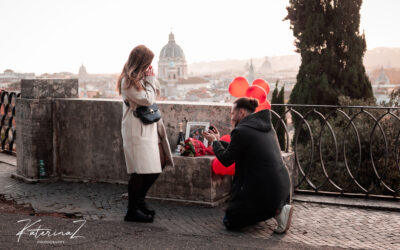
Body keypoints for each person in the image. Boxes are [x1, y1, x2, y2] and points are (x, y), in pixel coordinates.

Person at [203, 97, 293, 233]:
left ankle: (278, 213)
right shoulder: (264, 126)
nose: (231, 118)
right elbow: (238, 149)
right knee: (240, 213)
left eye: (233, 113)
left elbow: (226, 160)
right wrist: (219, 140)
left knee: (230, 221)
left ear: (242, 112)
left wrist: (215, 142)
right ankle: (277, 208)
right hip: (281, 186)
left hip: (264, 190)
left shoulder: (241, 131)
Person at [117, 45, 174, 223]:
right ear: (141, 62)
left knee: (159, 163)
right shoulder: (127, 80)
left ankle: (140, 201)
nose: (150, 66)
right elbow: (147, 99)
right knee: (140, 171)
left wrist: (148, 79)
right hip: (137, 130)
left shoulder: (140, 78)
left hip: (150, 127)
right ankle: (132, 210)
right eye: (148, 62)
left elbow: (151, 95)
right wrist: (150, 79)